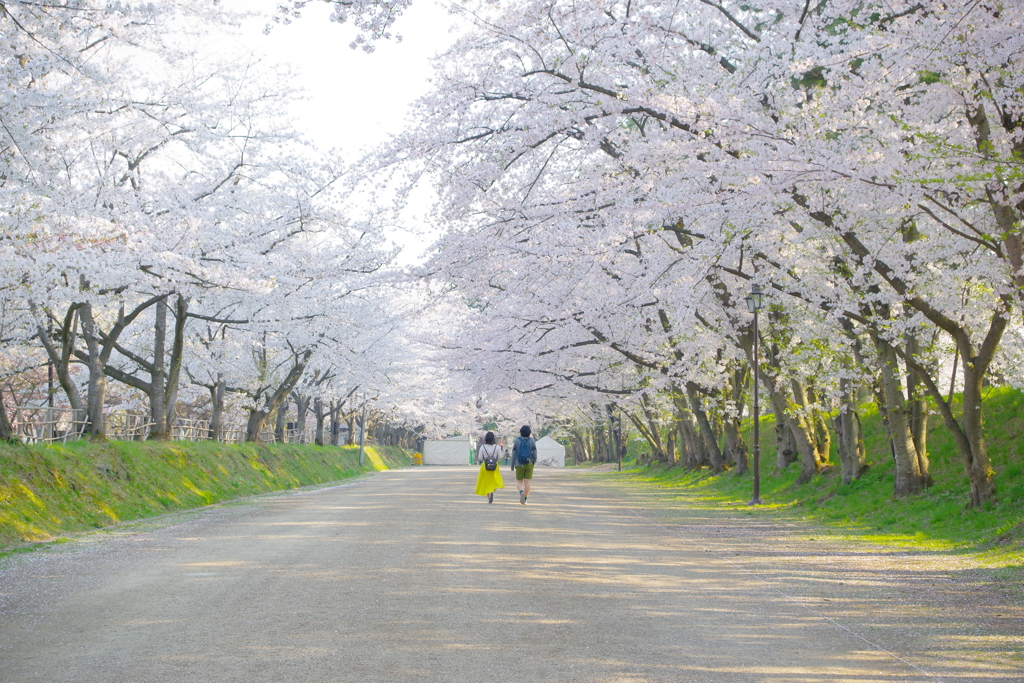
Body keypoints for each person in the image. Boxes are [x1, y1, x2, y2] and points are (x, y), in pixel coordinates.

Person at [474, 431, 504, 504]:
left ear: (486, 438)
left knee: (486, 481)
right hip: (495, 466)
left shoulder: (483, 447)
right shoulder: (497, 447)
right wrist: (495, 460)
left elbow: (480, 457)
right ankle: (493, 491)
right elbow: (500, 457)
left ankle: (489, 496)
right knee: (494, 480)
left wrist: (485, 459)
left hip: (485, 466)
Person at [511, 425, 537, 504]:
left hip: (519, 463)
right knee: (527, 482)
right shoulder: (532, 441)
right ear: (529, 433)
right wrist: (533, 461)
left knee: (519, 481)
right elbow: (535, 452)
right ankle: (525, 499)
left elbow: (514, 453)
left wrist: (512, 465)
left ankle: (521, 492)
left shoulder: (517, 440)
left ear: (521, 432)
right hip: (529, 463)